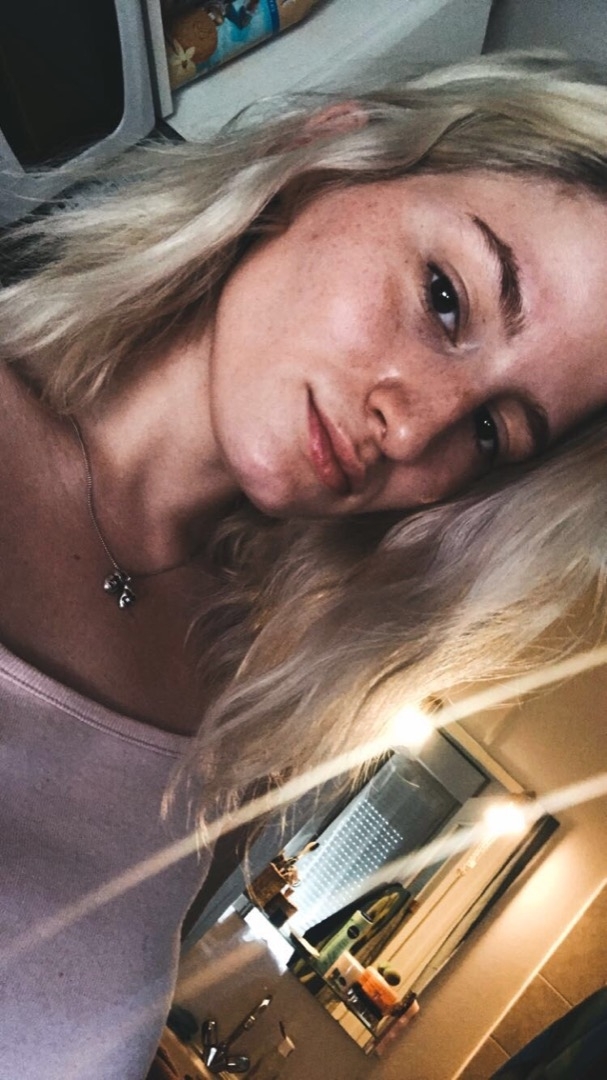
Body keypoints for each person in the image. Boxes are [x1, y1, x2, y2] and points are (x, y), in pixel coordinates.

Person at [2, 50, 607, 1080]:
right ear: (320, 159)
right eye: (446, 297)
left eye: (493, 432)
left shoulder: (245, 716)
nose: (413, 425)